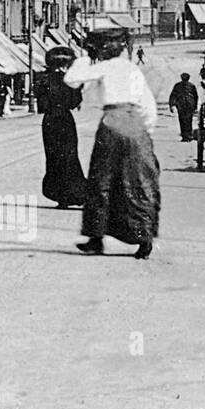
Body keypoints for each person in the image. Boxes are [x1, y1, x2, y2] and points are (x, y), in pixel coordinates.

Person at [64, 29, 160, 259]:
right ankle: (144, 239)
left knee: (101, 180)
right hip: (136, 125)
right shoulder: (133, 69)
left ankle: (96, 238)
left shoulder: (104, 67)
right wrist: (146, 134)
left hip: (112, 122)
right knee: (139, 181)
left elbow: (71, 79)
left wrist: (85, 57)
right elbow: (148, 105)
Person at [35, 47, 87, 208]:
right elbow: (74, 103)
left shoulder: (43, 80)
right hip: (65, 120)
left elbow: (41, 105)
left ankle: (60, 196)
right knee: (69, 157)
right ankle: (76, 193)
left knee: (53, 158)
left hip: (50, 121)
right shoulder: (69, 81)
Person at [168, 72, 200, 142]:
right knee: (187, 120)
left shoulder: (178, 86)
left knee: (184, 120)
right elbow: (195, 97)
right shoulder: (191, 86)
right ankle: (187, 136)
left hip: (184, 105)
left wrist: (171, 105)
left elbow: (172, 96)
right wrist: (195, 107)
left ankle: (186, 136)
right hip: (185, 105)